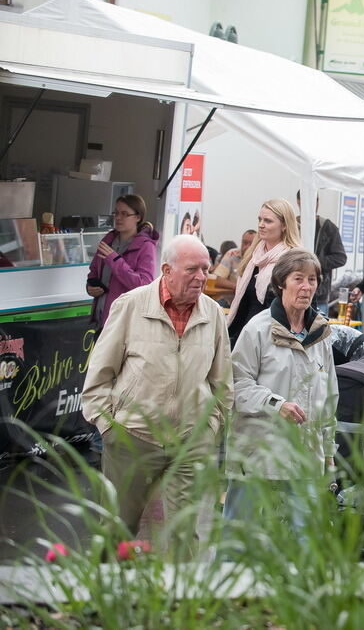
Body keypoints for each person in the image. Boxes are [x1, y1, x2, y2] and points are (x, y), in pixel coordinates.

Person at [81, 235, 233, 557]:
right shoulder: (131, 306)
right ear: (166, 270)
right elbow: (98, 377)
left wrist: (210, 429)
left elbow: (222, 383)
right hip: (132, 437)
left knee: (183, 536)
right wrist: (110, 427)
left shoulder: (213, 314)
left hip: (190, 441)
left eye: (205, 269)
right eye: (192, 269)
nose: (202, 277)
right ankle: (106, 600)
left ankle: (178, 604)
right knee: (117, 530)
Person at [224, 249, 339, 532]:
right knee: (238, 536)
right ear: (280, 284)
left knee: (304, 537)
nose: (306, 286)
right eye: (298, 278)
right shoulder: (258, 329)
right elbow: (237, 384)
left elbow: (330, 397)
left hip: (305, 454)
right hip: (258, 451)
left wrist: (328, 450)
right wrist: (276, 404)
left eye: (312, 280)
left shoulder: (321, 334)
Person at [227, 199, 302, 348]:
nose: (261, 225)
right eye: (260, 219)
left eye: (268, 221)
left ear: (285, 226)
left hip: (270, 341)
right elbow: (243, 304)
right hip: (242, 336)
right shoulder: (254, 256)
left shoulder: (293, 260)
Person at [86, 194, 160, 331]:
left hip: (125, 324)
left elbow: (144, 285)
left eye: (125, 214)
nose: (118, 218)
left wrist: (115, 260)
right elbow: (94, 272)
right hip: (101, 320)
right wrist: (90, 287)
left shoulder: (145, 246)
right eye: (116, 213)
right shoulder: (108, 240)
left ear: (138, 217)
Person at [296, 190, 347, 315]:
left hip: (319, 294)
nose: (313, 204)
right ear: (299, 202)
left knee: (318, 331)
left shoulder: (327, 227)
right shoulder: (291, 225)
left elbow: (340, 258)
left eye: (315, 201)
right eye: (309, 200)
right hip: (293, 290)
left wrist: (314, 262)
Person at [214, 229, 255, 304]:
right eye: (245, 243)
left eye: (251, 244)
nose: (247, 247)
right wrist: (237, 287)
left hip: (250, 302)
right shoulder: (232, 254)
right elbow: (217, 279)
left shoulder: (261, 259)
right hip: (229, 301)